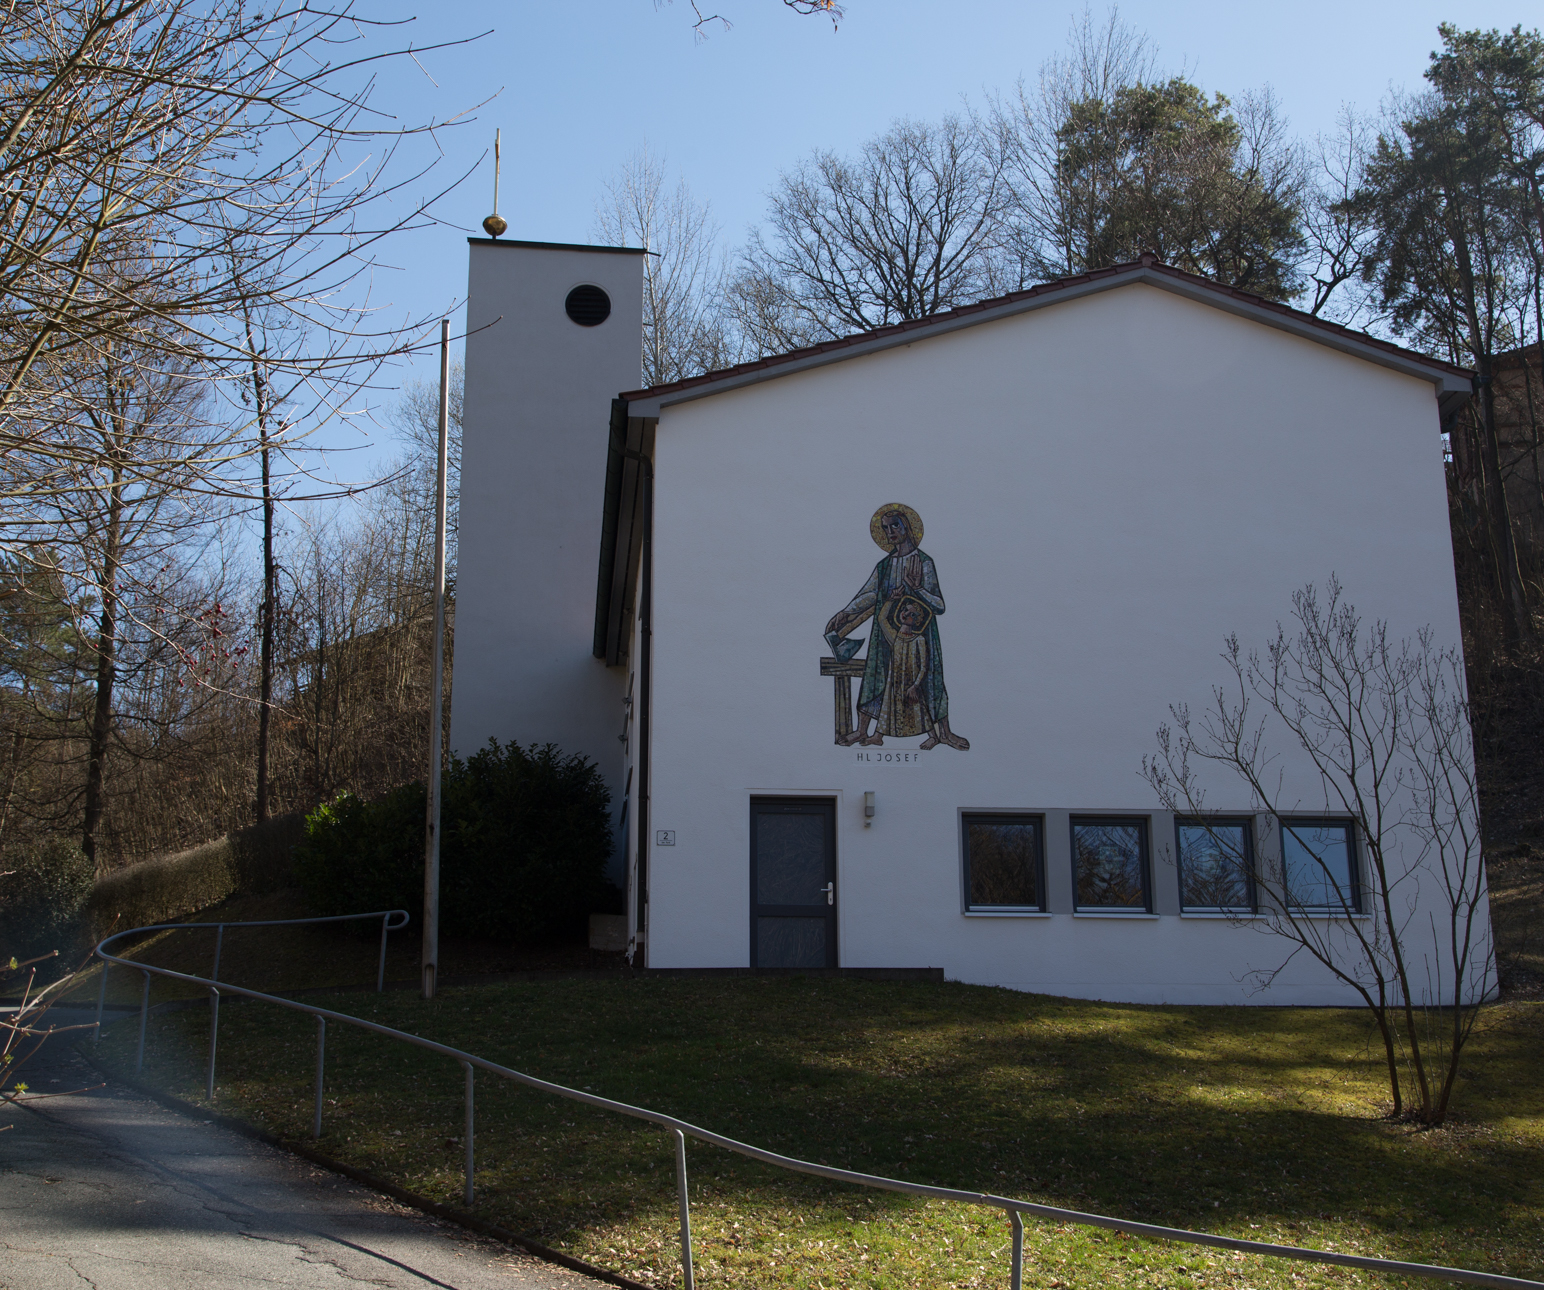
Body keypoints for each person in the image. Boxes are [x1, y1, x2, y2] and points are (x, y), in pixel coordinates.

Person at [824, 507, 969, 750]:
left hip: (920, 634)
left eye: (895, 525)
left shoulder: (924, 562)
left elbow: (939, 606)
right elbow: (869, 593)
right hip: (884, 633)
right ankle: (862, 730)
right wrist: (846, 612)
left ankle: (944, 733)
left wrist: (917, 588)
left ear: (907, 527)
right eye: (885, 528)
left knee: (929, 679)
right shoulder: (884, 565)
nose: (890, 531)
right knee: (875, 675)